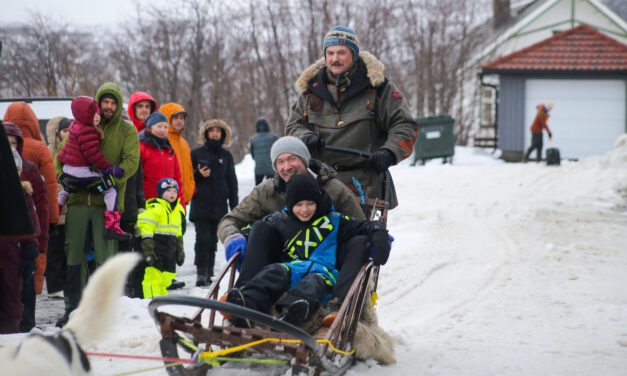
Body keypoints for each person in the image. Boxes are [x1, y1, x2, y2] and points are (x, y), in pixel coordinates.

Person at [226, 174, 390, 329]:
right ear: (290, 205)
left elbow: (364, 226)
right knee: (272, 272)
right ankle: (247, 304)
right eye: (299, 205)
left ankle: (293, 313)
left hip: (322, 273)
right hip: (291, 268)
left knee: (310, 286)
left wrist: (378, 231)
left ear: (317, 201)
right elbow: (255, 227)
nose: (305, 209)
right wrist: (243, 236)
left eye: (310, 203)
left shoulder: (334, 220)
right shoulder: (279, 219)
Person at [285, 26, 418, 209]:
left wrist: (388, 152)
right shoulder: (310, 90)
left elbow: (405, 126)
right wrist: (303, 137)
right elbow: (292, 126)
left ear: (354, 54)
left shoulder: (378, 88)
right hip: (318, 183)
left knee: (363, 238)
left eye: (341, 52)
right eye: (330, 53)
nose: (335, 59)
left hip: (365, 185)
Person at [217, 136, 365, 288]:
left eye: (292, 159)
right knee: (260, 228)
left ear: (304, 159)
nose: (287, 167)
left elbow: (359, 225)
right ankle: (246, 291)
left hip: (325, 263)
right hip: (279, 263)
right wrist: (232, 237)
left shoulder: (333, 189)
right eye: (280, 162)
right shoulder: (266, 192)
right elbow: (230, 220)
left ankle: (336, 297)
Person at [54, 82, 140, 326]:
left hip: (108, 204)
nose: (109, 107)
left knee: (105, 258)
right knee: (75, 257)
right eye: (105, 102)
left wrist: (110, 179)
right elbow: (59, 158)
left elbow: (132, 161)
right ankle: (73, 309)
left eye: (114, 102)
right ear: (99, 103)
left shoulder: (126, 130)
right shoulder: (82, 125)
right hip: (79, 201)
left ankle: (106, 309)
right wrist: (66, 179)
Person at [56, 96, 131, 240]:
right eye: (94, 114)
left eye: (98, 114)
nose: (98, 117)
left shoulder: (75, 127)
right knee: (110, 189)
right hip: (81, 171)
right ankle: (112, 227)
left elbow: (64, 152)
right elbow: (93, 155)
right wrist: (109, 169)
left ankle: (53, 217)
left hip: (68, 170)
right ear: (86, 115)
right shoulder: (88, 131)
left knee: (65, 192)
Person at [3, 101, 57, 295]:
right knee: (31, 264)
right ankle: (27, 317)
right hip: (32, 218)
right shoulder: (40, 148)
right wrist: (53, 219)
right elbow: (49, 187)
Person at [4, 122, 49, 332]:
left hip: (22, 244)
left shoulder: (28, 173)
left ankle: (26, 325)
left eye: (14, 142)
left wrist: (37, 243)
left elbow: (37, 210)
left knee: (25, 285)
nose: (10, 146)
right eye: (6, 142)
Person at [190, 119, 238, 286]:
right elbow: (187, 178)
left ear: (223, 134)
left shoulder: (226, 155)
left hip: (219, 206)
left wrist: (235, 207)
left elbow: (232, 181)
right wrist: (197, 174)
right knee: (202, 240)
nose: (215, 133)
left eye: (218, 131)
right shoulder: (196, 153)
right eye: (212, 130)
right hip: (200, 205)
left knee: (212, 240)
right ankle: (201, 273)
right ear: (206, 133)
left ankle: (209, 272)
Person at [0, 148, 41, 333]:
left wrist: (31, 248)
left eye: (17, 169)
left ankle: (10, 333)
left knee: (12, 299)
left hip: (13, 255)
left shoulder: (23, 195)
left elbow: (32, 225)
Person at [137, 178, 186, 298]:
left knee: (167, 278)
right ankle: (150, 302)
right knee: (154, 277)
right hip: (157, 248)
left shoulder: (178, 211)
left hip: (170, 249)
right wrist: (148, 249)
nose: (172, 194)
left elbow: (178, 232)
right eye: (168, 190)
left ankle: (161, 303)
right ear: (161, 192)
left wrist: (180, 249)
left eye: (175, 191)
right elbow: (145, 227)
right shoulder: (155, 209)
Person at [45, 117, 71, 298]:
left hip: (70, 210)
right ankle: (54, 286)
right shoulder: (49, 153)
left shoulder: (74, 150)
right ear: (57, 134)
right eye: (64, 131)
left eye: (70, 130)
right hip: (55, 209)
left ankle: (66, 283)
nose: (67, 134)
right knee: (54, 250)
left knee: (68, 249)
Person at [139, 111, 184, 202]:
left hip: (167, 203)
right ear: (150, 128)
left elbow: (177, 180)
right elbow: (135, 179)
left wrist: (181, 206)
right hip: (147, 202)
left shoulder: (170, 151)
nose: (162, 130)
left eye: (165, 127)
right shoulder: (141, 147)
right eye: (159, 126)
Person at [161, 102, 196, 205]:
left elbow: (189, 171)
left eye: (182, 118)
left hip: (183, 200)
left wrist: (190, 190)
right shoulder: (162, 141)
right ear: (167, 118)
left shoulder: (184, 144)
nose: (179, 121)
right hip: (165, 200)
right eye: (176, 117)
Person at [250, 117, 278, 185]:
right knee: (272, 188)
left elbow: (253, 156)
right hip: (271, 169)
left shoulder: (253, 139)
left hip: (258, 169)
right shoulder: (274, 137)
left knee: (258, 189)